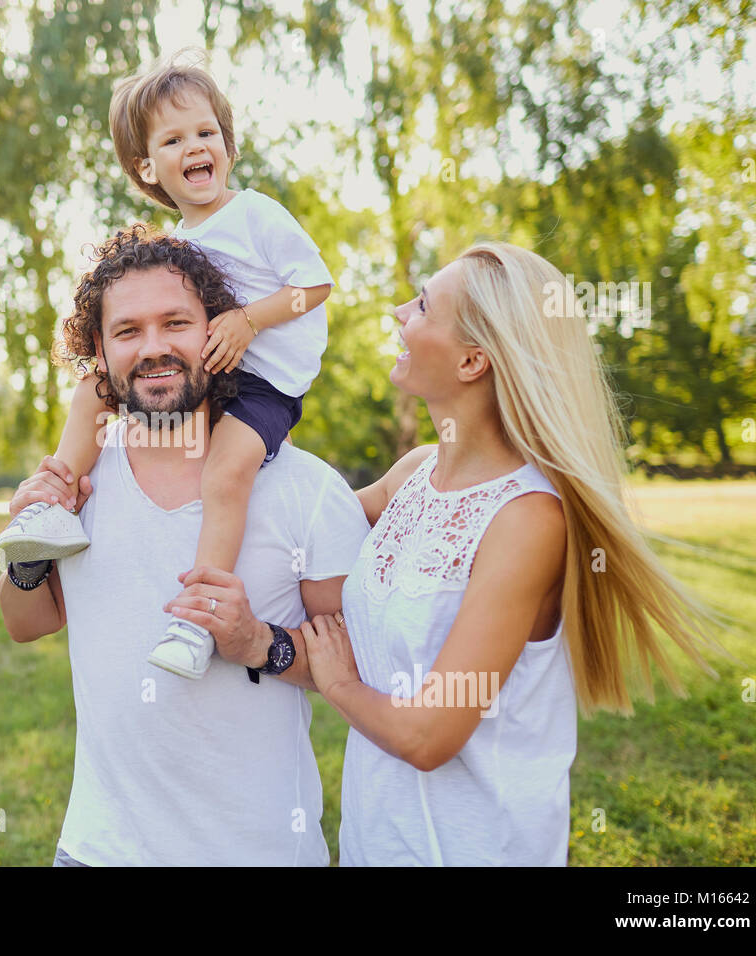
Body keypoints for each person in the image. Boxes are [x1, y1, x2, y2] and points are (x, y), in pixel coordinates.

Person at [298, 242, 726, 866]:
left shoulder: (527, 520)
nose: (398, 312)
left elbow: (427, 735)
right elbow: (302, 529)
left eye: (421, 305)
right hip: (378, 845)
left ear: (473, 360)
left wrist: (335, 681)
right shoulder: (413, 473)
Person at [0, 226, 368, 866]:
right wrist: (27, 554)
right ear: (99, 350)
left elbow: (362, 665)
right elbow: (26, 624)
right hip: (98, 850)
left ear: (216, 331)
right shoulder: (78, 483)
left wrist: (259, 642)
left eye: (176, 323)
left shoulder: (305, 488)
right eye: (127, 331)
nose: (154, 348)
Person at [0, 50, 335, 680]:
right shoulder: (180, 244)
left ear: (228, 147)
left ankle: (198, 615)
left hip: (268, 384)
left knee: (226, 473)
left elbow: (314, 287)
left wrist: (248, 320)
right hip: (217, 368)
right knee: (97, 386)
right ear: (147, 168)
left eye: (207, 132)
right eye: (174, 139)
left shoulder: (255, 213)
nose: (196, 146)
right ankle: (55, 493)